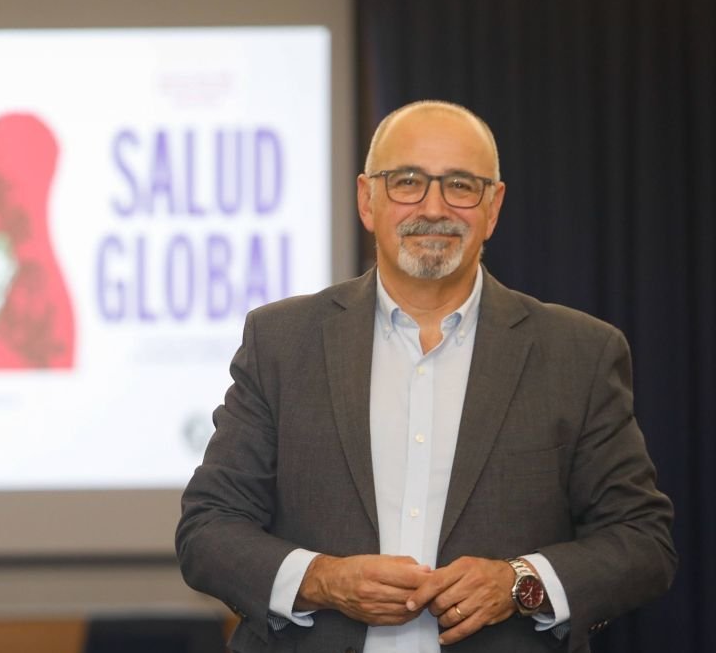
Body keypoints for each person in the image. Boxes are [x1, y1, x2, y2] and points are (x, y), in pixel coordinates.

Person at [175, 100, 676, 653]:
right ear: (367, 199)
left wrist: (520, 583)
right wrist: (324, 581)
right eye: (407, 181)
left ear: (493, 206)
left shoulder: (578, 353)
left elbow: (642, 541)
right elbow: (209, 529)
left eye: (461, 185)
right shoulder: (281, 342)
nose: (433, 207)